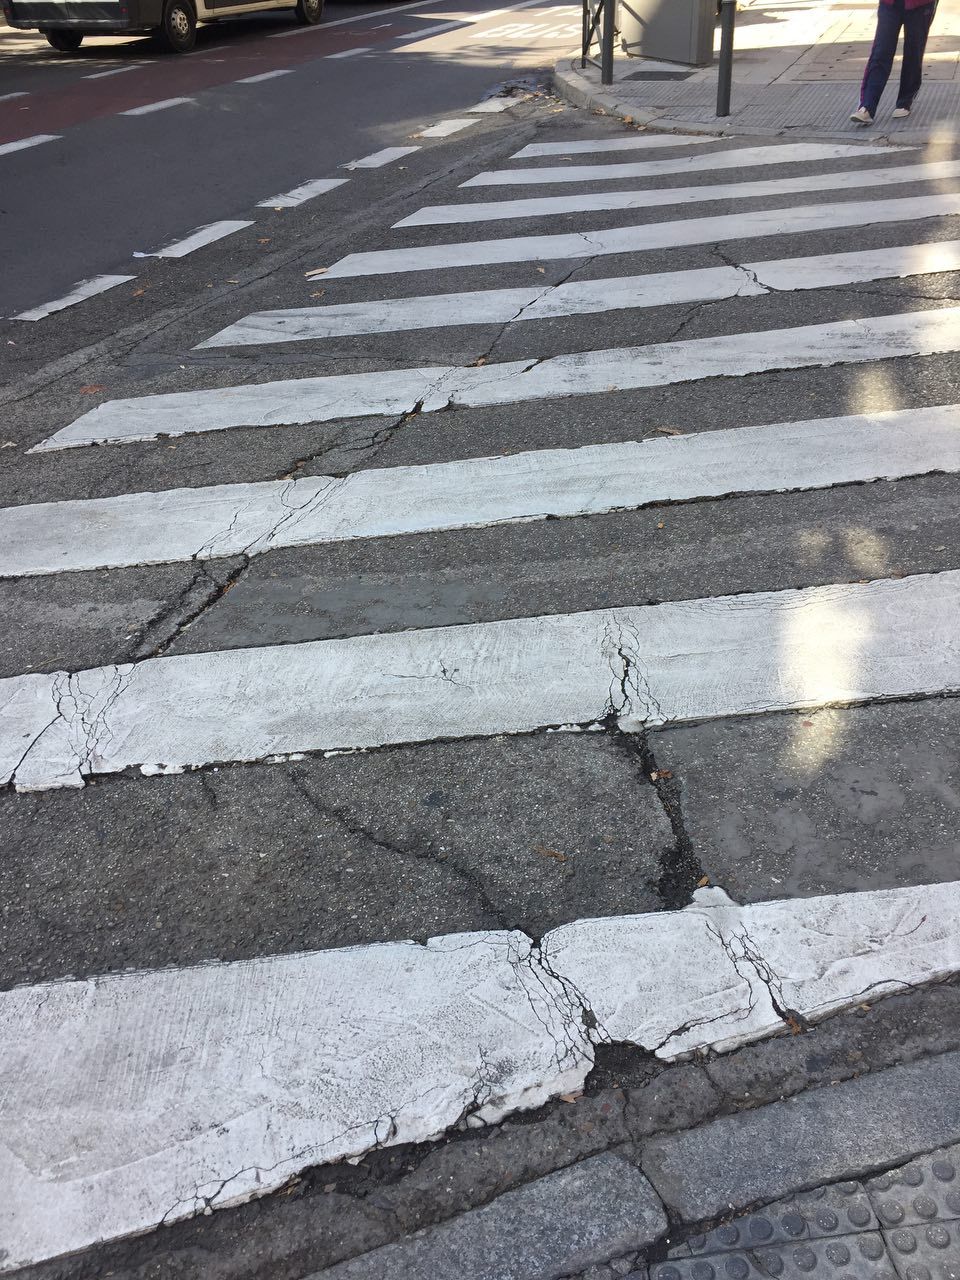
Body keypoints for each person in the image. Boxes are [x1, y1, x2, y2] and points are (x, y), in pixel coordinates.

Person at [851, 0, 938, 124]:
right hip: (889, 4)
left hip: (920, 5)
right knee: (881, 51)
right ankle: (867, 107)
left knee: (914, 52)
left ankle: (905, 101)